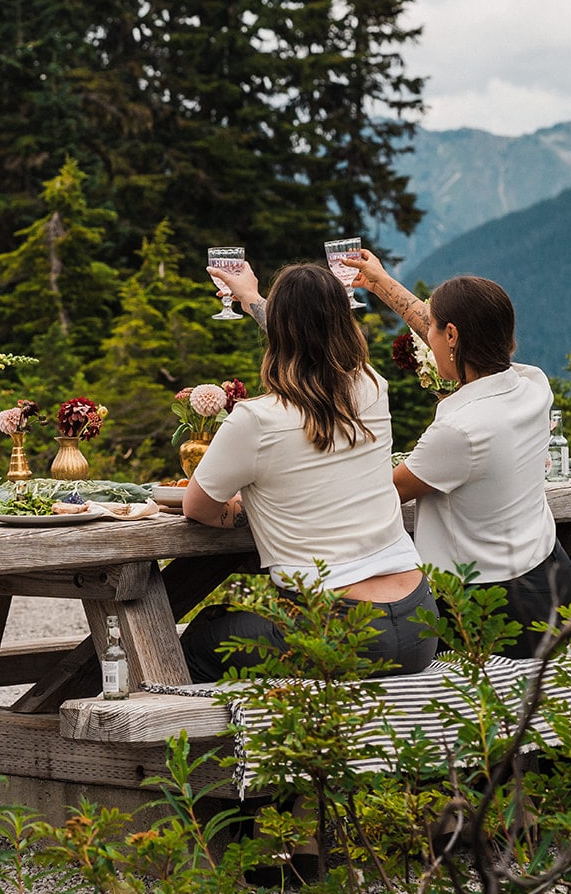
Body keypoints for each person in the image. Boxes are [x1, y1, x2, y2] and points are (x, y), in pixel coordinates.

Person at [180, 263, 438, 682]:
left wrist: (245, 507)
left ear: (277, 334)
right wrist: (252, 299)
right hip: (419, 621)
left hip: (341, 630)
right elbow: (315, 341)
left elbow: (198, 507)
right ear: (345, 323)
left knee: (206, 636)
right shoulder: (373, 388)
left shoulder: (253, 421)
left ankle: (237, 747)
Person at [351, 251, 571, 657]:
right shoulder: (533, 384)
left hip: (492, 609)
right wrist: (379, 281)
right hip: (551, 576)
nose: (428, 334)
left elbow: (381, 494)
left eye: (435, 329)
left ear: (452, 336)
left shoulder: (460, 430)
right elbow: (441, 327)